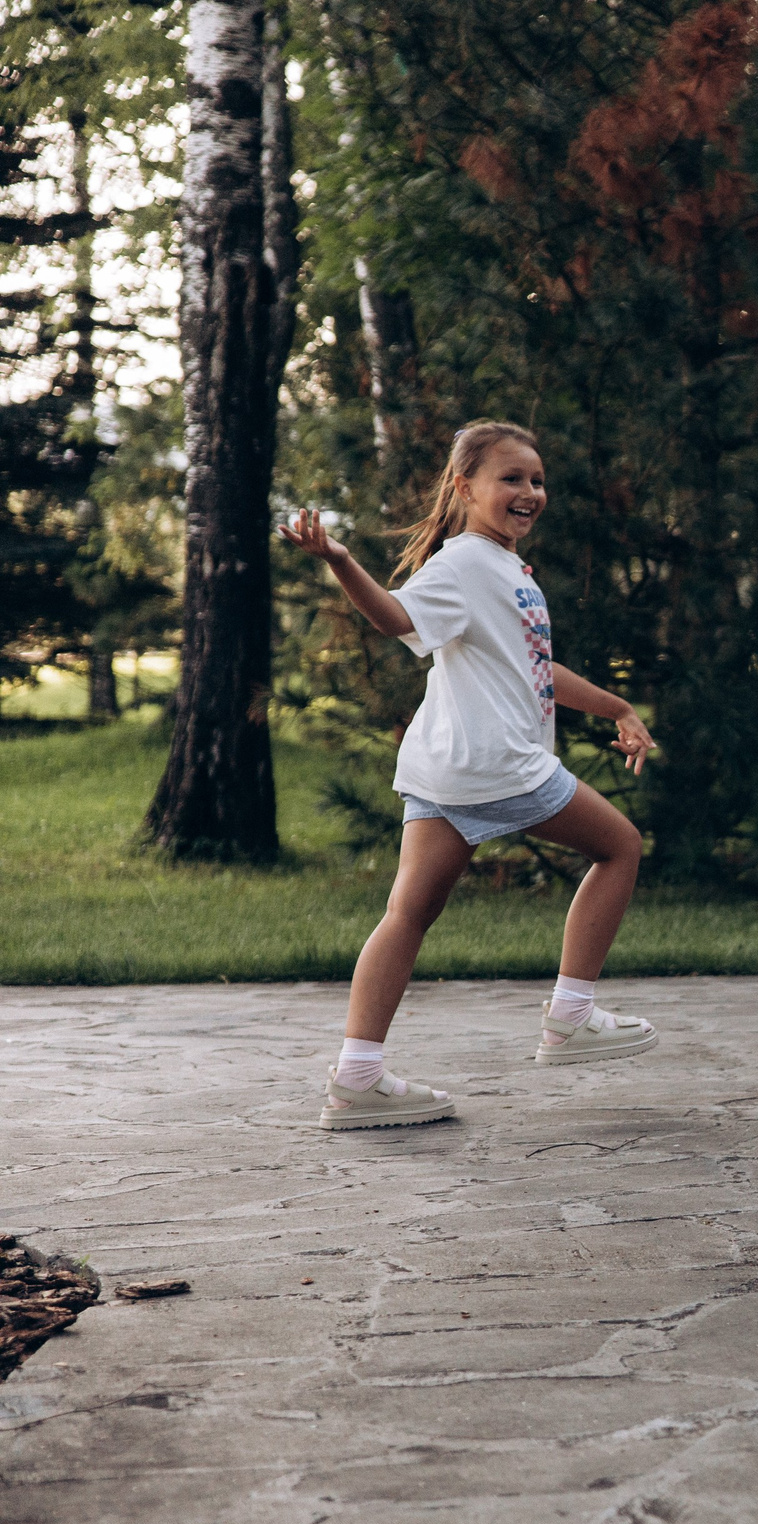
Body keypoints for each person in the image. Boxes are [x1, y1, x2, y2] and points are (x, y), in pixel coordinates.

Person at [281, 421, 660, 1133]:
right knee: (621, 846)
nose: (529, 492)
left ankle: (357, 1077)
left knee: (408, 913)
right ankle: (571, 1016)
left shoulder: (506, 569)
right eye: (511, 478)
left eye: (537, 480)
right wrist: (337, 558)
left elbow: (534, 668)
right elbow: (396, 617)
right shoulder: (462, 565)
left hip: (445, 766)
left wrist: (615, 707)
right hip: (495, 764)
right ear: (465, 488)